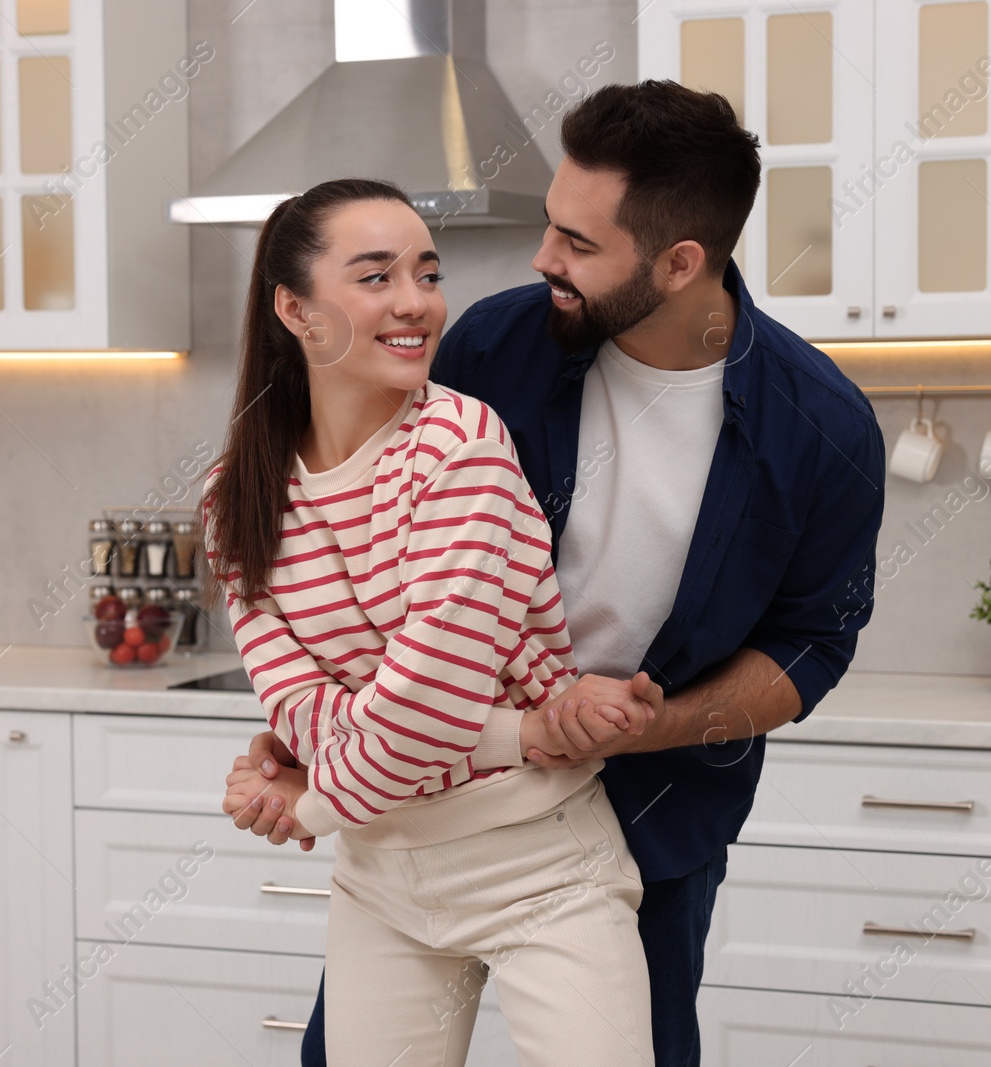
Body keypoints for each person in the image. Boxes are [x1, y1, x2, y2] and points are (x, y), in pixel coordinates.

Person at [232, 81, 886, 1066]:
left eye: (578, 244)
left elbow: (809, 645)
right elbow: (360, 534)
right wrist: (318, 732)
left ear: (679, 262)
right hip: (423, 803)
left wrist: (637, 724)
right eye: (549, 226)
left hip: (652, 808)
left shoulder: (821, 429)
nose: (543, 259)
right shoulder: (496, 346)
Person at [206, 177, 660, 1066]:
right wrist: (520, 730)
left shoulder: (461, 449)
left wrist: (315, 797)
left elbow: (423, 709)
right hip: (380, 873)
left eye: (427, 271)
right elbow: (300, 704)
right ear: (294, 308)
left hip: (538, 863)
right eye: (376, 277)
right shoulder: (241, 497)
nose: (416, 303)